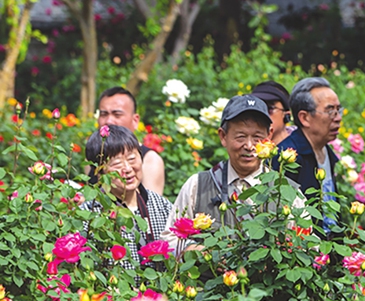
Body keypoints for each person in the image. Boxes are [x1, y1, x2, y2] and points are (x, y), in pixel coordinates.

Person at [174, 95, 283, 228]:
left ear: (269, 137)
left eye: (257, 137)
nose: (249, 146)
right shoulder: (197, 186)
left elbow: (304, 238)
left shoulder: (285, 191)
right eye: (241, 137)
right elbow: (172, 236)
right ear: (223, 136)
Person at [84, 125, 178, 264]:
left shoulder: (162, 206)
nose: (127, 169)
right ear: (98, 171)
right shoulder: (89, 214)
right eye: (117, 164)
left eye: (132, 159)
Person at [276, 77, 342, 218]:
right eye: (330, 111)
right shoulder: (287, 157)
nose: (338, 118)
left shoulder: (325, 150)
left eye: (338, 110)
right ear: (304, 118)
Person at [96, 87, 167, 196]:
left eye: (117, 114)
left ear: (135, 120)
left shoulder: (150, 160)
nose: (109, 121)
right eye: (104, 114)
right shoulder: (94, 156)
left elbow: (150, 204)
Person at [250, 80, 292, 145]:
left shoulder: (301, 146)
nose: (262, 114)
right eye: (256, 108)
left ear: (286, 115)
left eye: (269, 109)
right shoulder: (246, 146)